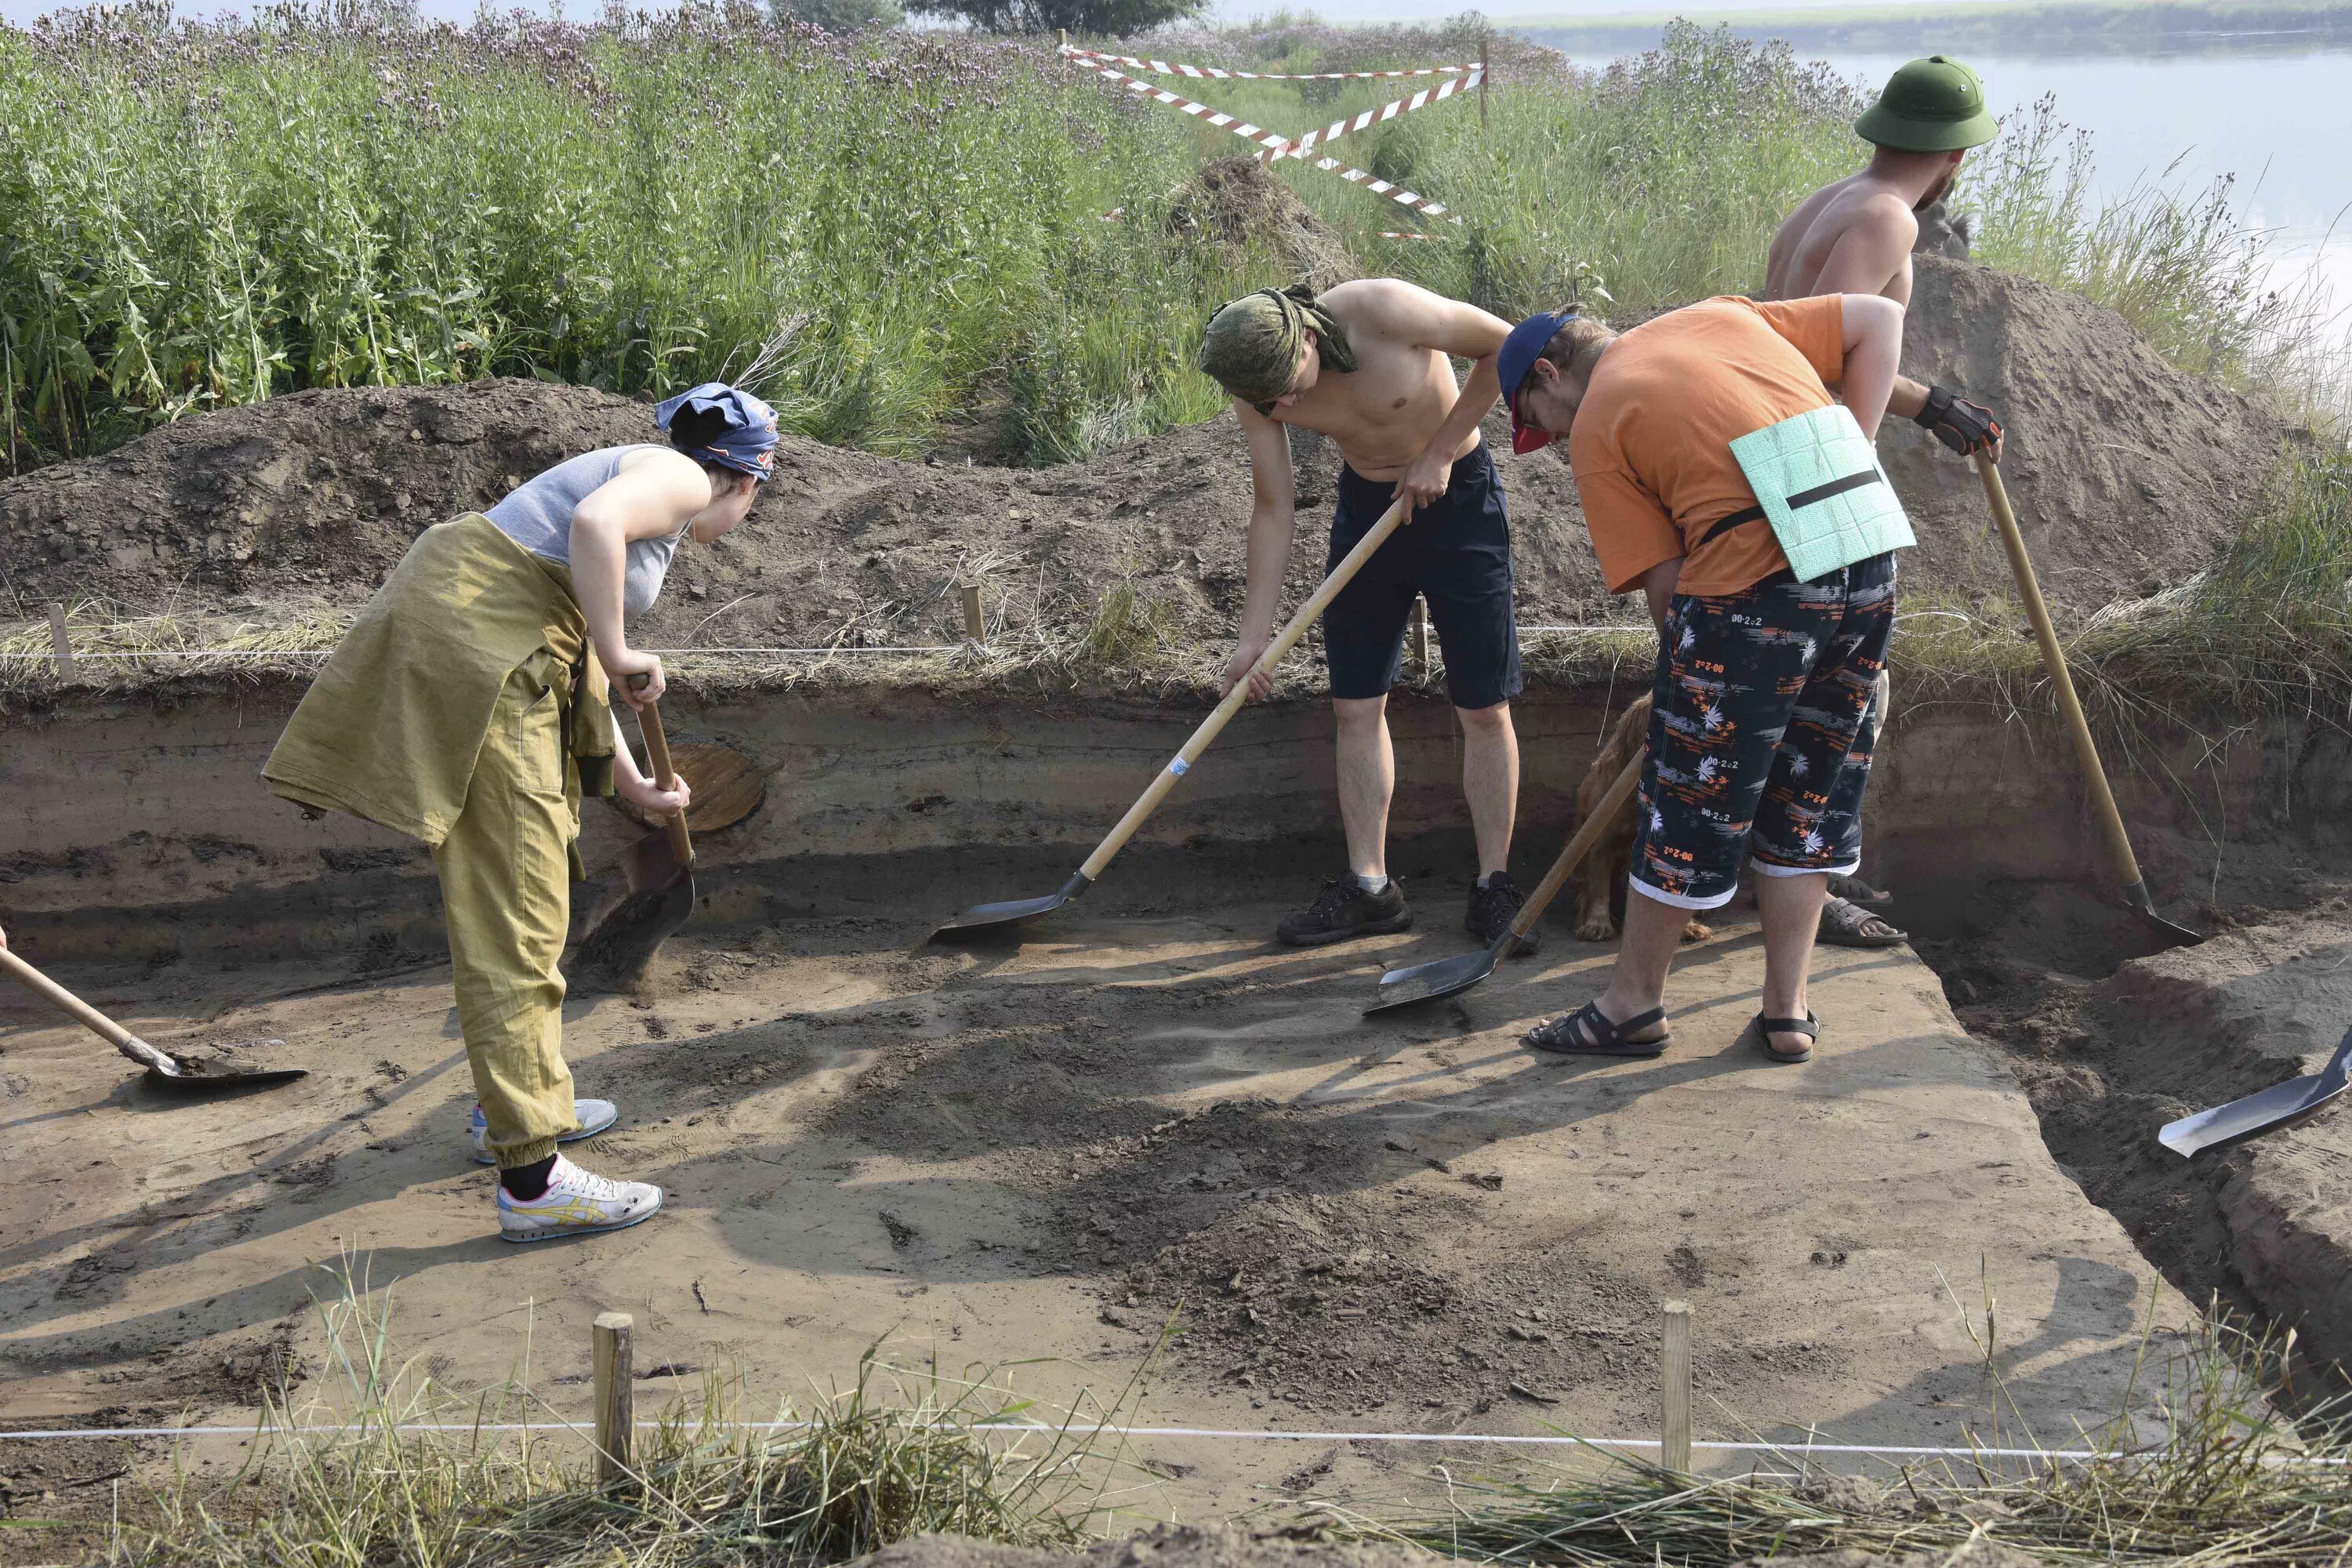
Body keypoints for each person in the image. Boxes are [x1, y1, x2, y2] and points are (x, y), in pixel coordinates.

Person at [265, 383, 776, 1241]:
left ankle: (507, 1108)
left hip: (497, 653)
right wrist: (620, 648)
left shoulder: (642, 486)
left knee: (530, 889)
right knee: (518, 911)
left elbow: (569, 652)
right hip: (482, 661)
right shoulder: (683, 478)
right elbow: (593, 536)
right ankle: (533, 1182)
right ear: (748, 479)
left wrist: (632, 783)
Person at [1500, 289, 1977, 1065]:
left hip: (1754, 580)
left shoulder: (1597, 422)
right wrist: (1850, 451)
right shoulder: (1719, 314)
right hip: (1864, 544)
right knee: (1810, 791)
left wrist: (1693, 703)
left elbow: (1668, 585)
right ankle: (1788, 1012)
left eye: (1539, 421)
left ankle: (1631, 1006)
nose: (1552, 440)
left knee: (1688, 800)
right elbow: (1879, 320)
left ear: (1550, 374)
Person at [1196, 281, 1532, 953]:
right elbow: (1273, 507)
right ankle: (1371, 888)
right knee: (1355, 704)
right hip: (1368, 512)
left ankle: (1494, 885)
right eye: (1271, 403)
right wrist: (1252, 639)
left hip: (1460, 502)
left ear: (1308, 338)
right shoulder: (1254, 382)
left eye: (1289, 389)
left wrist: (1440, 450)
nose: (1287, 407)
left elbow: (1508, 346)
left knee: (1483, 705)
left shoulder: (1381, 312)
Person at [1766, 54, 2005, 949]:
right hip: (1814, 468)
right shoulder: (1885, 219)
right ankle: (1804, 884)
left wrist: (1930, 406)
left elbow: (1805, 336)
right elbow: (1804, 357)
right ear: (1956, 157)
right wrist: (1917, 407)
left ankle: (1801, 872)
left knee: (1827, 685)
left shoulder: (1832, 201)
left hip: (1794, 458)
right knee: (1844, 694)